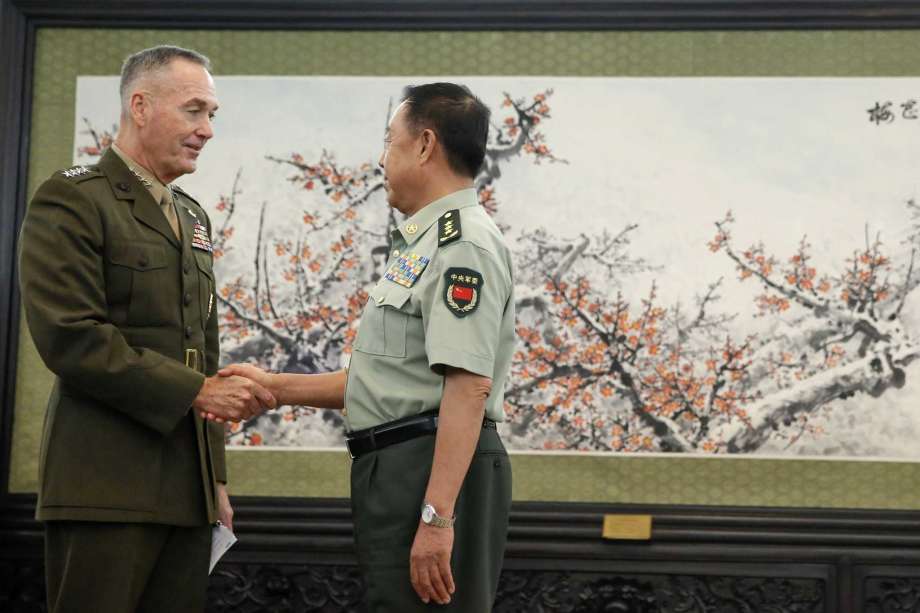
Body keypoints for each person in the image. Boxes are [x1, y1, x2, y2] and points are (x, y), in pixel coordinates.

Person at [216, 82, 515, 611]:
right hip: (401, 467)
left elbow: (468, 386)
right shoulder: (423, 243)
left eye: (388, 141)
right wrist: (275, 387)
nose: (381, 158)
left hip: (430, 471)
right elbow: (388, 381)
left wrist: (437, 515)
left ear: (424, 145)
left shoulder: (461, 242)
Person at [18, 45, 276, 613]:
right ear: (140, 106)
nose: (207, 130)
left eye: (213, 115)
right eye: (194, 111)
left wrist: (216, 482)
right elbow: (72, 337)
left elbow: (201, 353)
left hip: (187, 492)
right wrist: (200, 391)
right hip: (104, 486)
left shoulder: (191, 215)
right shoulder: (72, 197)